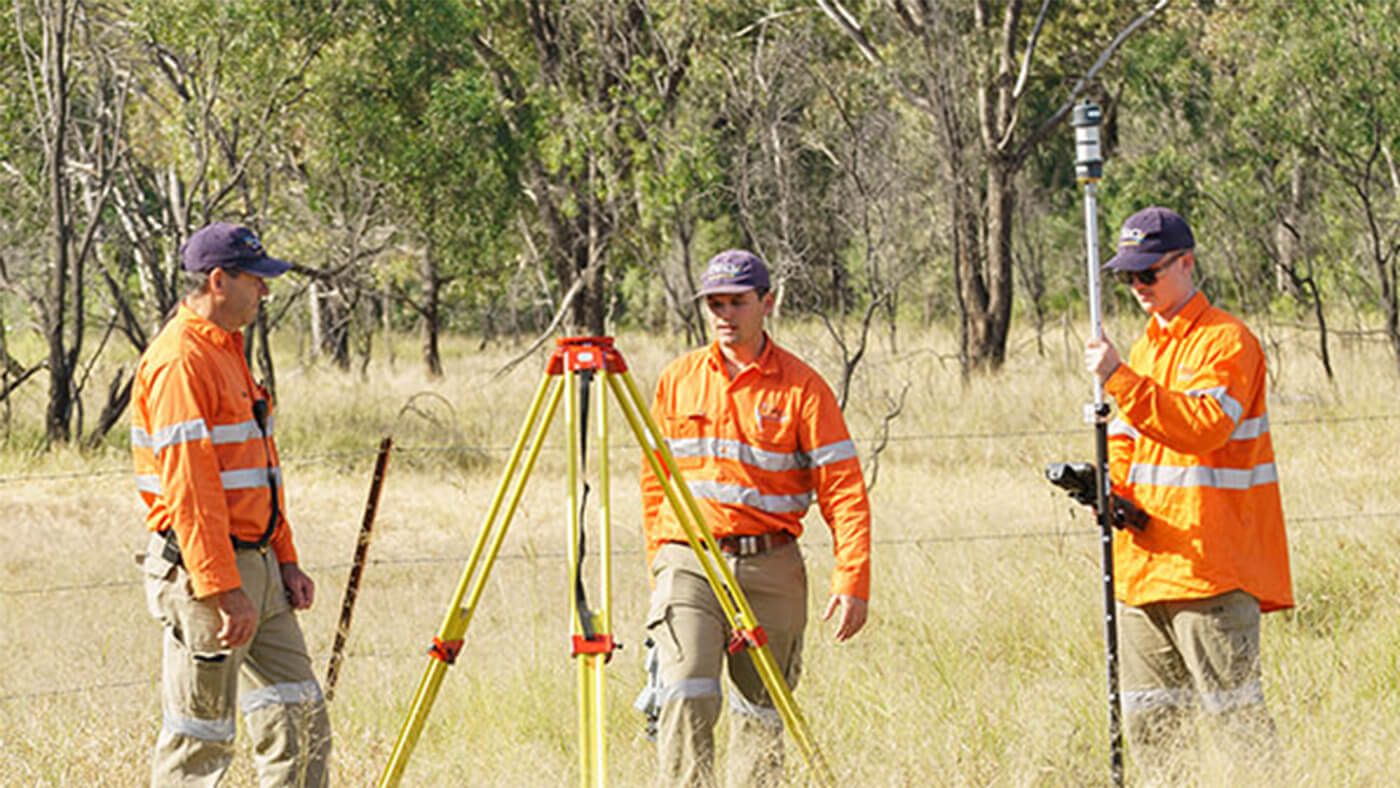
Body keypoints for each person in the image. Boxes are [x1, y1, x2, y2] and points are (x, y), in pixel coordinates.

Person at [638, 249, 872, 787]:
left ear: (766, 303)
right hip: (689, 563)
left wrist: (852, 578)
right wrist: (661, 564)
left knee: (762, 712)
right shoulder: (677, 379)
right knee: (685, 691)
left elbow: (843, 489)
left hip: (772, 566)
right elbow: (655, 481)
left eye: (737, 302)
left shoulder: (803, 388)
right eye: (715, 303)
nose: (724, 314)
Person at [1084, 206, 1292, 780]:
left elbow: (1203, 427)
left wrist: (1120, 379)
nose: (1137, 287)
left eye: (1148, 274)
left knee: (1237, 724)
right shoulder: (1147, 346)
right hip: (1142, 571)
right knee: (1154, 730)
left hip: (1211, 572)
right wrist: (1108, 490)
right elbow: (1126, 439)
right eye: (1128, 277)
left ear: (1186, 263)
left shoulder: (1227, 342)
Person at [132, 222, 331, 786]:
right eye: (256, 280)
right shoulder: (180, 361)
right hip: (209, 576)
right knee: (201, 743)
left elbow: (259, 470)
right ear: (218, 280)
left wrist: (285, 558)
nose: (265, 292)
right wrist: (222, 590)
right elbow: (191, 493)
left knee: (302, 720)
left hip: (261, 566)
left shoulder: (228, 349)